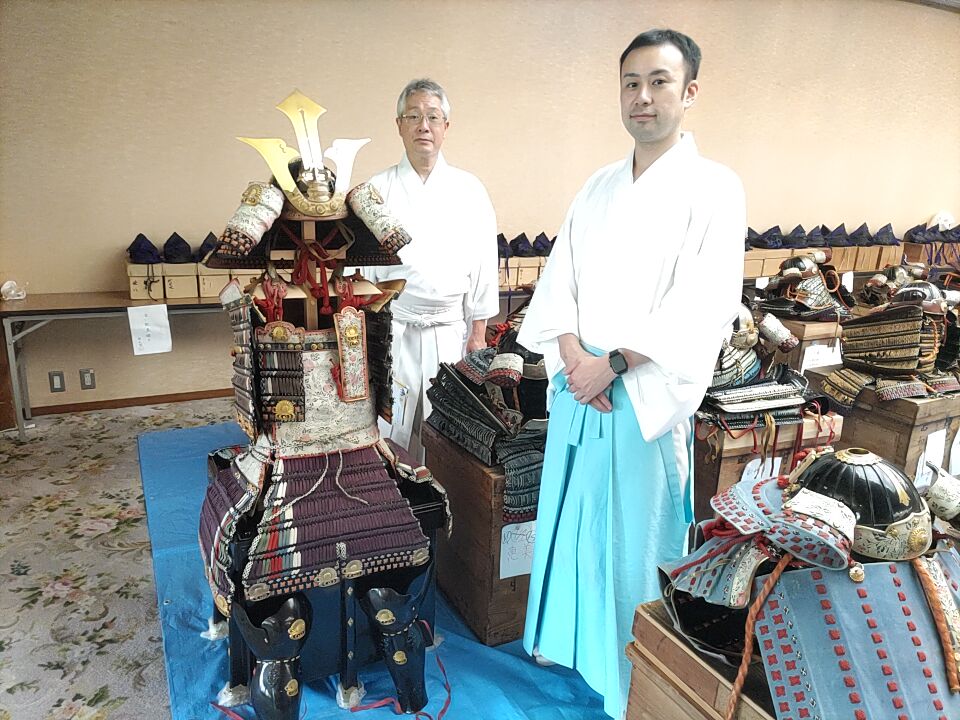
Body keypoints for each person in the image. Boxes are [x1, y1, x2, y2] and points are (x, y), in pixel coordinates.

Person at [517, 29, 746, 718]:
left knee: (633, 535)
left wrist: (613, 364)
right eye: (630, 83)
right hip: (580, 383)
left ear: (689, 91)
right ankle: (567, 642)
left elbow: (703, 300)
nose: (641, 97)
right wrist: (573, 358)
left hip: (640, 391)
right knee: (571, 517)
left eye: (658, 81)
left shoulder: (714, 187)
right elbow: (561, 279)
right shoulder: (598, 184)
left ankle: (628, 669)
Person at [364, 79, 499, 461]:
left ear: (445, 127)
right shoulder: (378, 190)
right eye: (414, 116)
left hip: (450, 331)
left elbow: (485, 266)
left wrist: (478, 335)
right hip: (396, 328)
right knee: (393, 427)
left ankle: (445, 513)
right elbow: (363, 277)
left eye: (433, 117)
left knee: (448, 432)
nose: (424, 125)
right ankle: (397, 507)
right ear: (399, 125)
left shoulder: (470, 190)